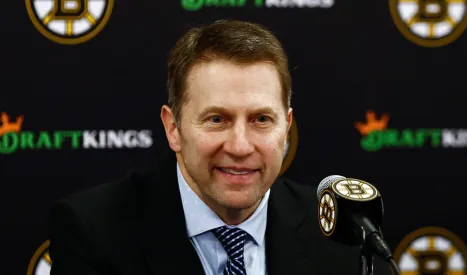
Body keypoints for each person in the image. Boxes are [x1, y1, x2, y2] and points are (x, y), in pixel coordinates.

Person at [48, 19, 392, 275]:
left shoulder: (340, 235)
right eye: (217, 119)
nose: (241, 147)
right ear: (173, 129)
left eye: (261, 119)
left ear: (286, 129)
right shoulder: (93, 232)